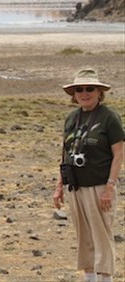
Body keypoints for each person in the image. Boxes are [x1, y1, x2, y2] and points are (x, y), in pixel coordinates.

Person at [53, 68, 124, 282]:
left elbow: (119, 154)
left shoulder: (109, 118)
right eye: (79, 89)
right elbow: (65, 152)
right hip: (76, 186)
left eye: (89, 89)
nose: (84, 93)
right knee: (84, 235)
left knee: (101, 234)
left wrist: (109, 187)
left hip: (99, 186)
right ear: (73, 94)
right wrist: (59, 186)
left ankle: (105, 279)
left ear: (99, 92)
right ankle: (89, 278)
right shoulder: (72, 118)